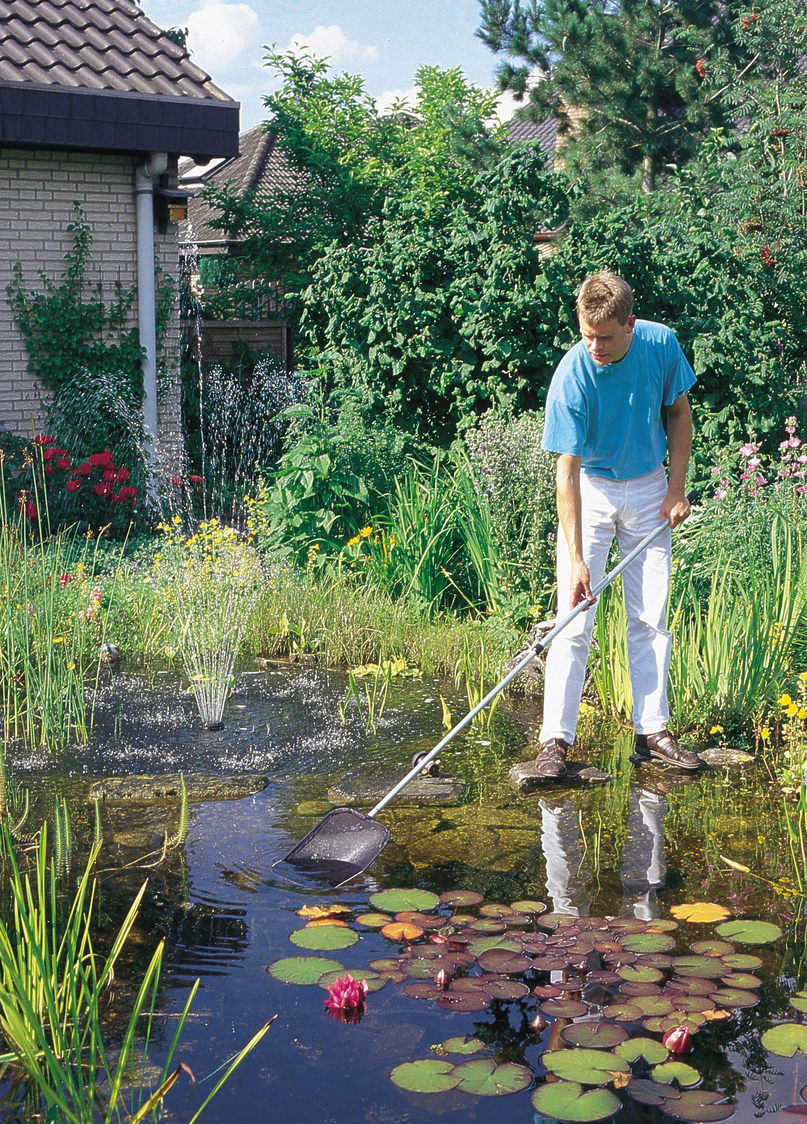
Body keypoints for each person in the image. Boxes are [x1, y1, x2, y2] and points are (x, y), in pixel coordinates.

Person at [535, 270, 699, 777]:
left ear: (630, 324)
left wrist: (675, 488)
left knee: (650, 616)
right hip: (594, 489)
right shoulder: (572, 375)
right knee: (573, 618)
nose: (594, 346)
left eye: (604, 336)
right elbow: (566, 475)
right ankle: (555, 741)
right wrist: (579, 558)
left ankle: (652, 732)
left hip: (650, 485)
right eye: (586, 334)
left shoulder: (660, 344)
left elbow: (679, 414)